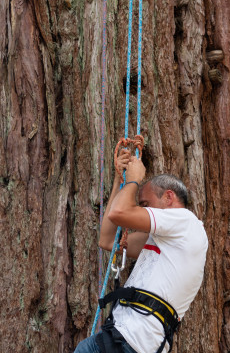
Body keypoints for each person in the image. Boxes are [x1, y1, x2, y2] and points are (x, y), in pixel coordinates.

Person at [75, 140, 208, 353]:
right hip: (124, 340)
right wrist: (120, 180)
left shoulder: (185, 221)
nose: (141, 210)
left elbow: (119, 213)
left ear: (168, 197)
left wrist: (134, 180)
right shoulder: (163, 241)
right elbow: (107, 240)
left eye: (144, 204)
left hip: (131, 340)